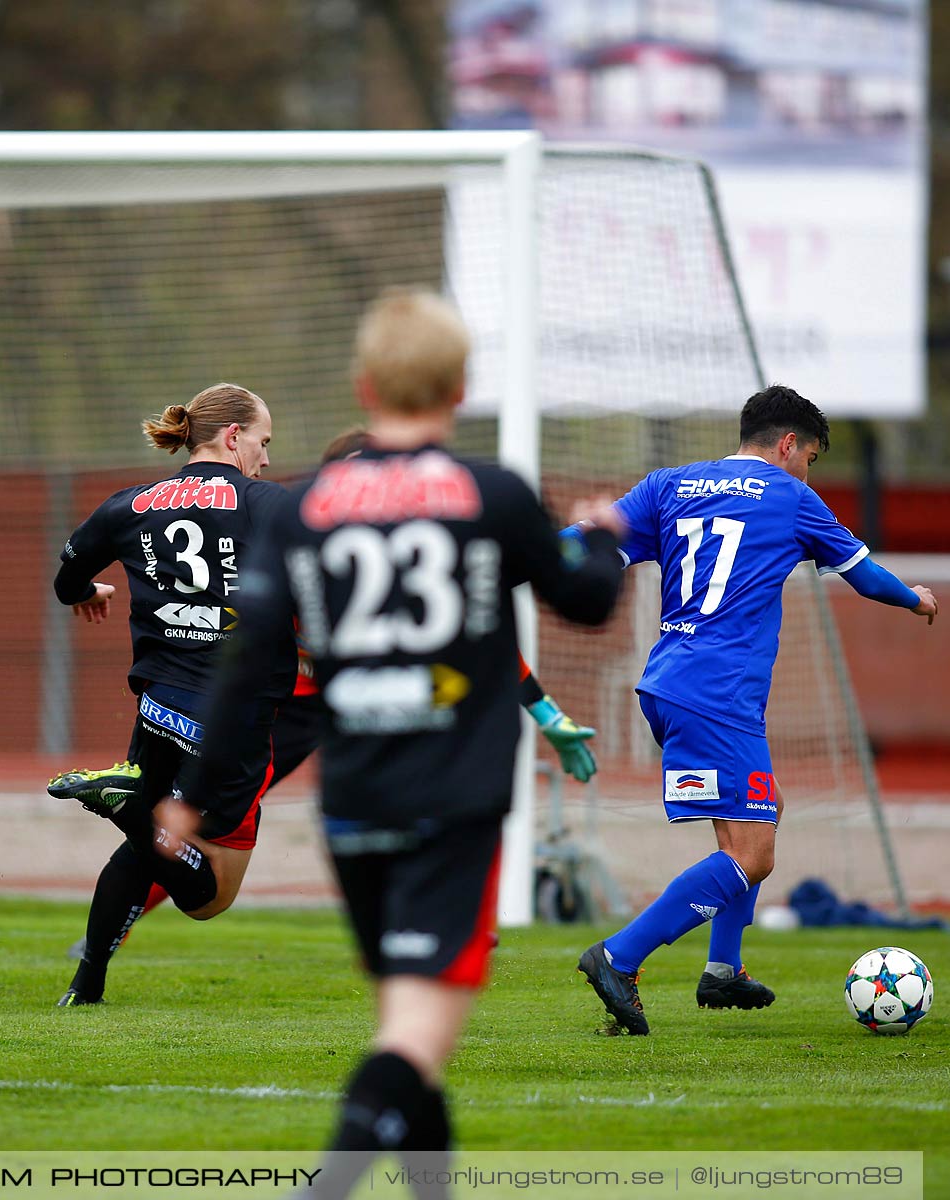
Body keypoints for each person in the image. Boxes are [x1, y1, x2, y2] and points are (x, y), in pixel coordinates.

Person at [186, 289, 624, 1195]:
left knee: (407, 1022)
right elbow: (585, 601)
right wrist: (610, 537)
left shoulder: (305, 507)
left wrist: (193, 793)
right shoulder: (490, 492)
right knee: (416, 1037)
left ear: (364, 383)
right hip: (453, 800)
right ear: (461, 387)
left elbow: (244, 660)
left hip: (353, 800)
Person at [52, 427, 599, 960]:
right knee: (201, 839)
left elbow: (486, 635)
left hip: (329, 700)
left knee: (195, 824)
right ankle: (104, 938)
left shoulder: (336, 540)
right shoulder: (306, 536)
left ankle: (445, 916)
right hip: (288, 704)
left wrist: (546, 712)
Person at [567, 384, 939, 1036]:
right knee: (753, 853)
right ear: (789, 444)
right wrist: (914, 599)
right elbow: (863, 574)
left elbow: (583, 540)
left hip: (667, 684)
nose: (808, 470)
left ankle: (723, 970)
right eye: (812, 456)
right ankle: (619, 957)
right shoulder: (792, 497)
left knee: (763, 812)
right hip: (718, 693)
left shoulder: (668, 484)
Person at [46, 382, 294, 1007]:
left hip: (157, 709)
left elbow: (67, 572)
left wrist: (86, 594)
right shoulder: (265, 502)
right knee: (207, 894)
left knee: (150, 844)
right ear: (234, 436)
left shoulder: (131, 503)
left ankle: (88, 983)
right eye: (263, 442)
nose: (265, 458)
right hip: (230, 718)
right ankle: (122, 805)